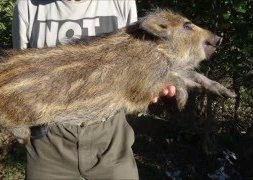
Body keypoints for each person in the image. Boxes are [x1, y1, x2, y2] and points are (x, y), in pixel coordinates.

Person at [12, 0, 175, 179]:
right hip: (50, 138)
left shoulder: (120, 2)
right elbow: (21, 74)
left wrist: (153, 84)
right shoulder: (28, 5)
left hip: (109, 134)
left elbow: (137, 64)